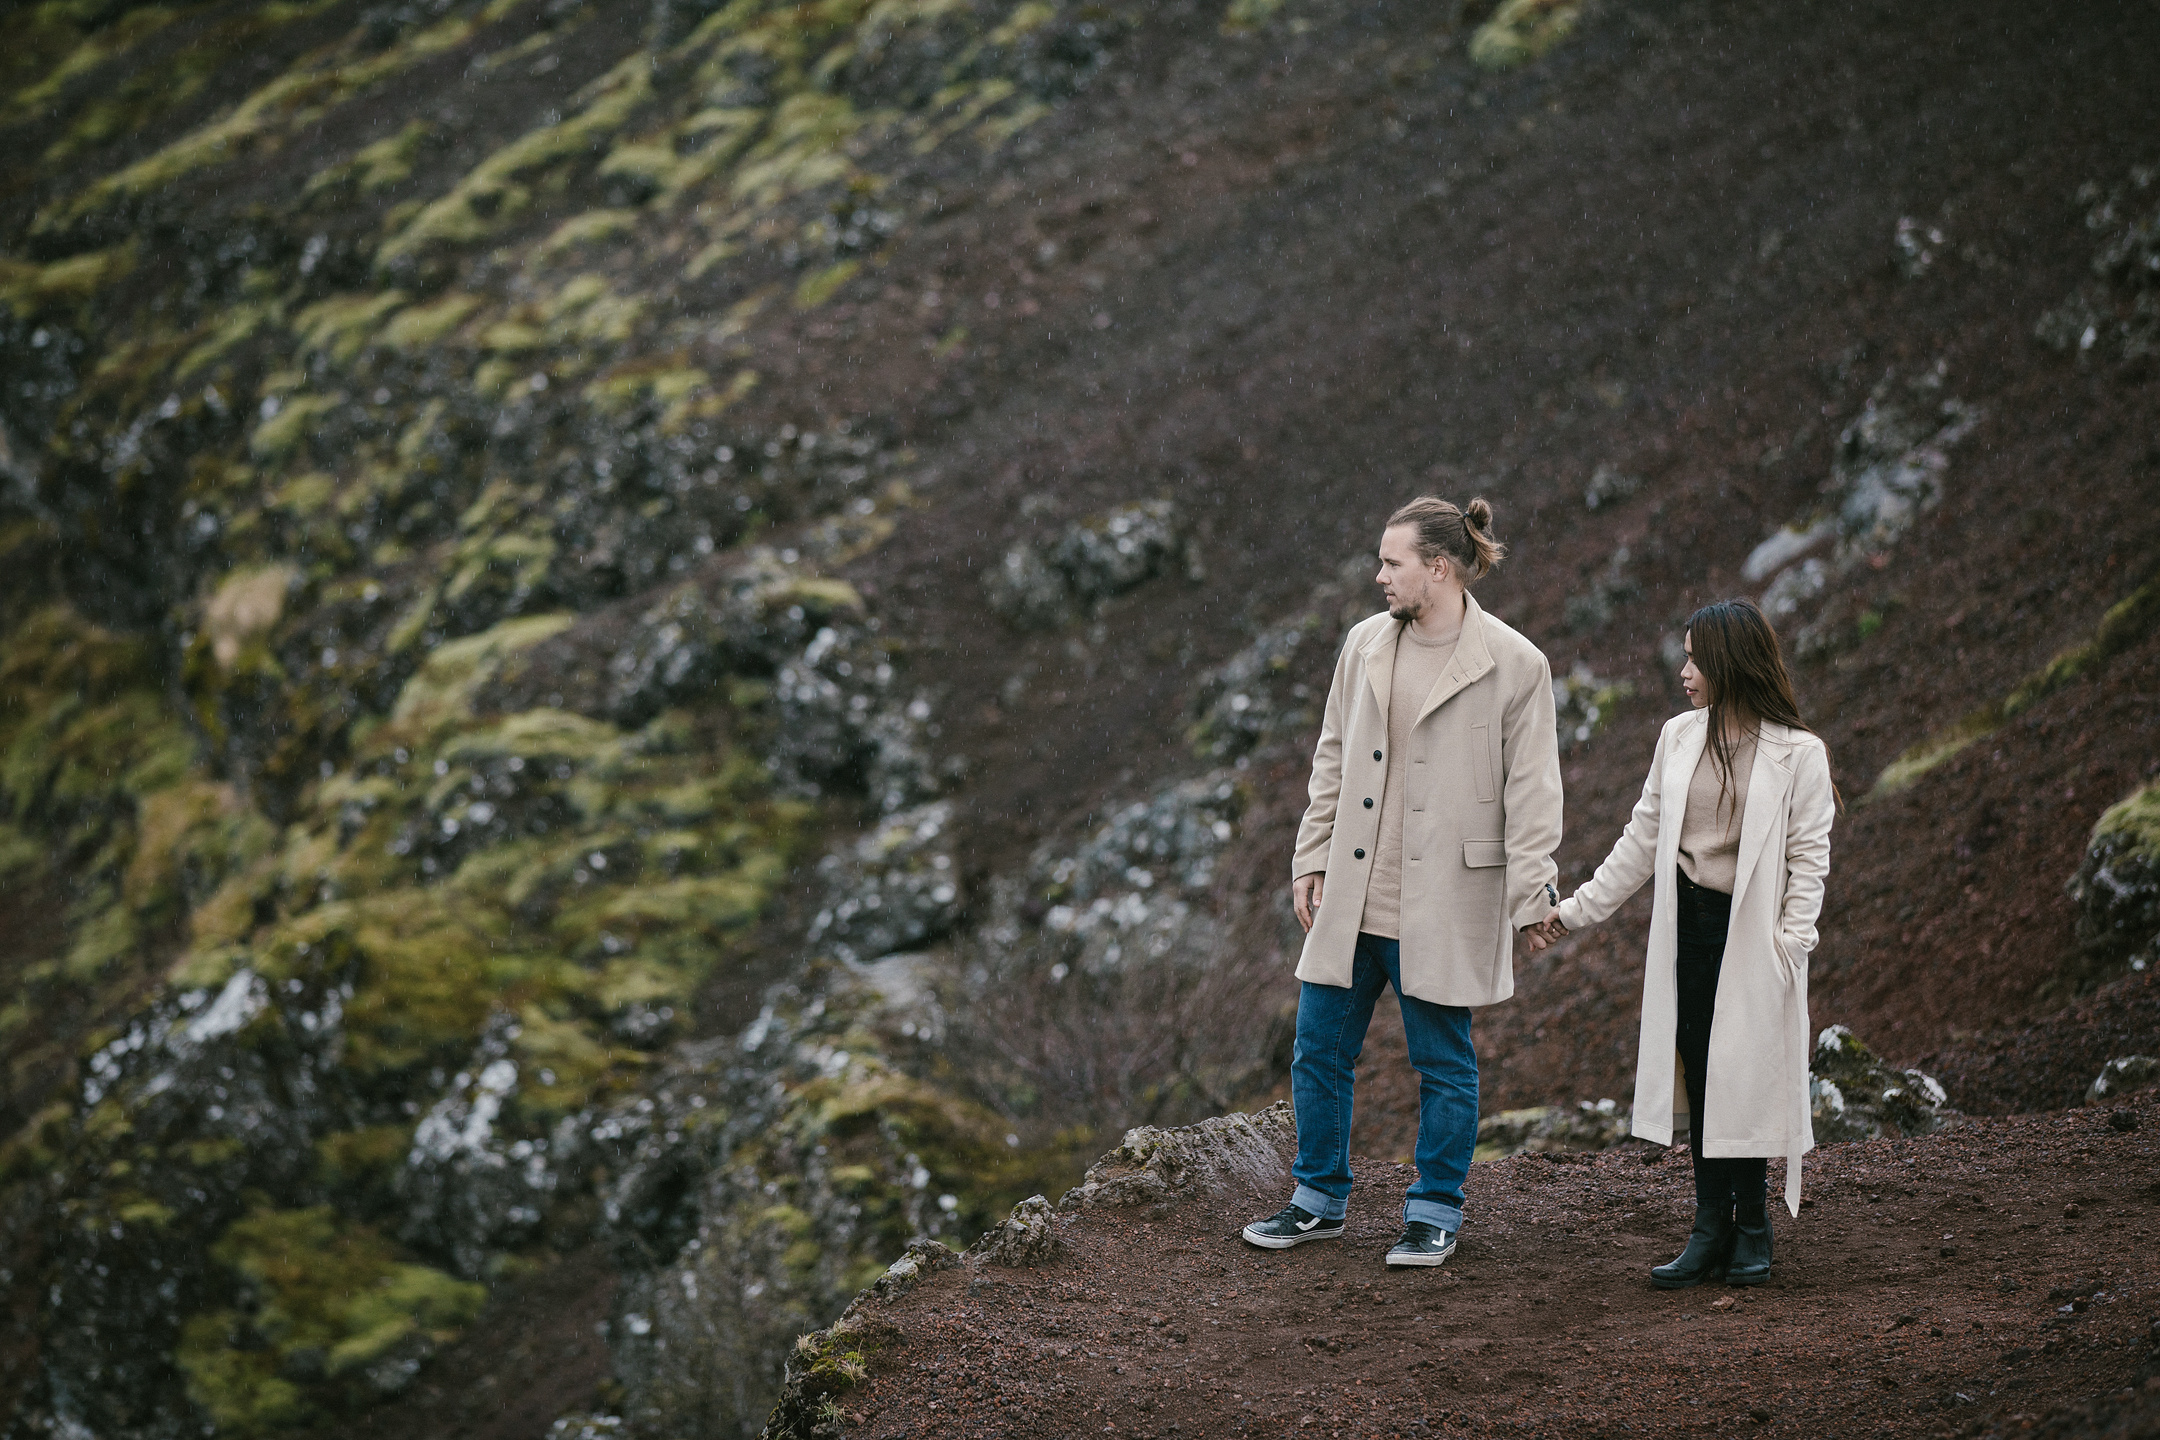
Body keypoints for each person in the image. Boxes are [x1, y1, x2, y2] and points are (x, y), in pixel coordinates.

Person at [1242, 496, 1563, 1268]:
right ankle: (1317, 1201)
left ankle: (1434, 1213)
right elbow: (1331, 753)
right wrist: (1309, 856)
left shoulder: (1517, 664)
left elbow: (1534, 793)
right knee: (1317, 1051)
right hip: (1352, 898)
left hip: (1447, 900)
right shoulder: (1363, 645)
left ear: (1439, 568)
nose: (1378, 575)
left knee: (1442, 1063)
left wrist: (1533, 897)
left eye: (1393, 562)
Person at [1530, 598, 1836, 1288]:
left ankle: (1751, 1227)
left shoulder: (1799, 755)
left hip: (1753, 936)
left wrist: (1791, 945)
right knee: (1702, 1074)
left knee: (1744, 1076)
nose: (1684, 671)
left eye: (1696, 658)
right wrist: (1573, 912)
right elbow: (1641, 841)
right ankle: (1709, 1228)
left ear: (1731, 663)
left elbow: (1809, 859)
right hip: (1690, 930)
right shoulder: (1676, 738)